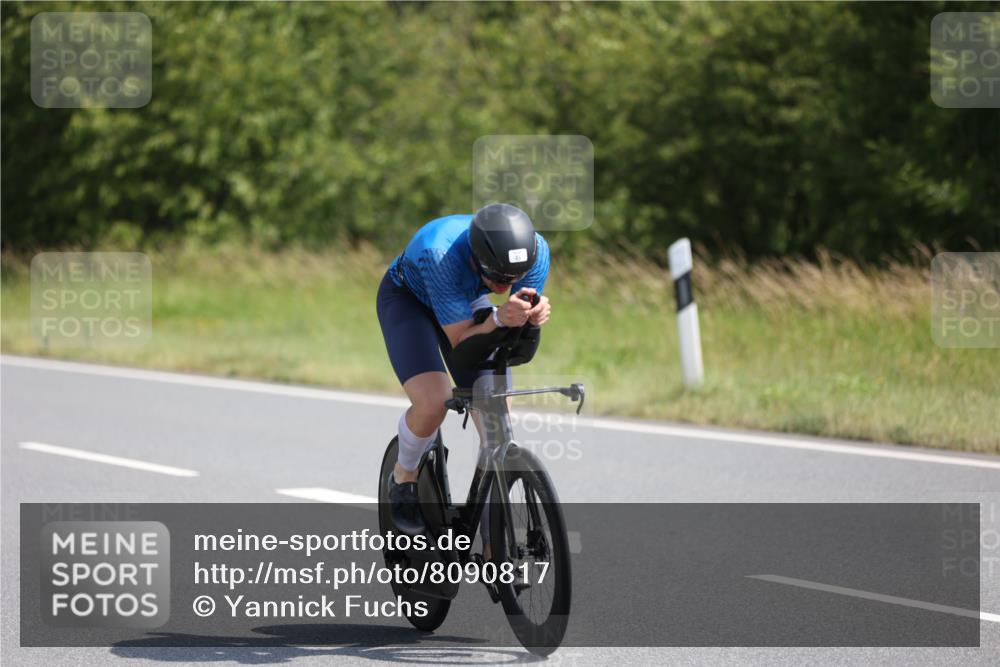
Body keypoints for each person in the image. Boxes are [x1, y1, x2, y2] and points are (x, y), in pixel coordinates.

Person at [376, 204, 551, 535]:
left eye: (514, 279)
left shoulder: (537, 252)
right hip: (410, 301)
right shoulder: (439, 254)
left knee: (496, 416)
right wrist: (499, 318)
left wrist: (533, 316)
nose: (505, 286)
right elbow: (462, 344)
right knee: (434, 402)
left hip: (464, 298)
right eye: (497, 278)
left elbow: (518, 325)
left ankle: (491, 540)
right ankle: (404, 475)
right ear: (476, 259)